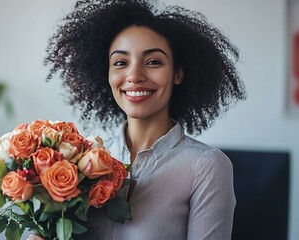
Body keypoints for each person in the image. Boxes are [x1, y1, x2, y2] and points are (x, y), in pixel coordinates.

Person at [31, 0, 246, 239]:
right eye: (121, 63)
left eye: (153, 61)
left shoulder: (206, 166)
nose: (134, 76)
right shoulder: (80, 158)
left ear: (178, 73)